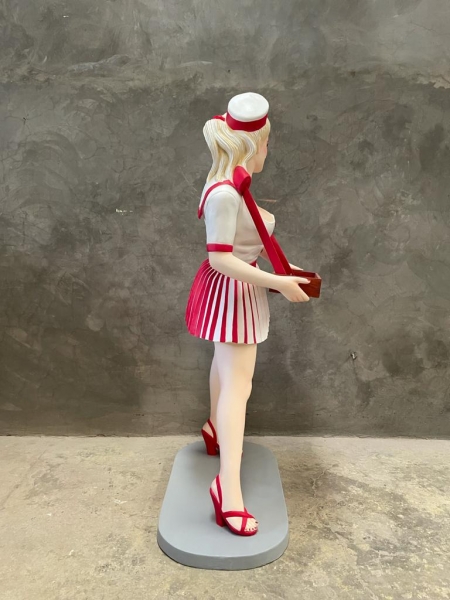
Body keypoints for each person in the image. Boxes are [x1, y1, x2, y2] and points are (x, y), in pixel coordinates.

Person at [185, 92, 310, 536]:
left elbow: (247, 243)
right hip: (234, 292)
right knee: (239, 385)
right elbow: (220, 258)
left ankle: (213, 429)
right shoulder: (225, 193)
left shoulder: (231, 182)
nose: (268, 151)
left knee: (225, 367)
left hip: (240, 287)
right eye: (267, 143)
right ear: (255, 144)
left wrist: (286, 272)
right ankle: (228, 490)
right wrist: (279, 282)